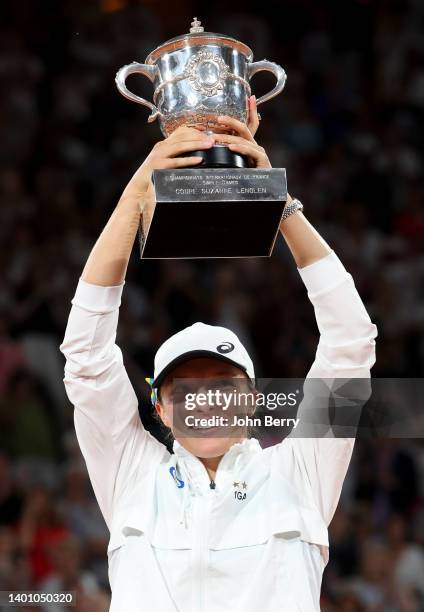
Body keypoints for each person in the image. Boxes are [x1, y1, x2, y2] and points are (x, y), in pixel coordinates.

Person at [59, 96, 377, 611]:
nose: (205, 401)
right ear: (158, 407)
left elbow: (350, 343)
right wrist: (135, 195)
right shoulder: (131, 474)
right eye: (185, 390)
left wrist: (278, 201)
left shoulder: (300, 471)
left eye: (222, 386)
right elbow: (87, 358)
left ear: (251, 400)